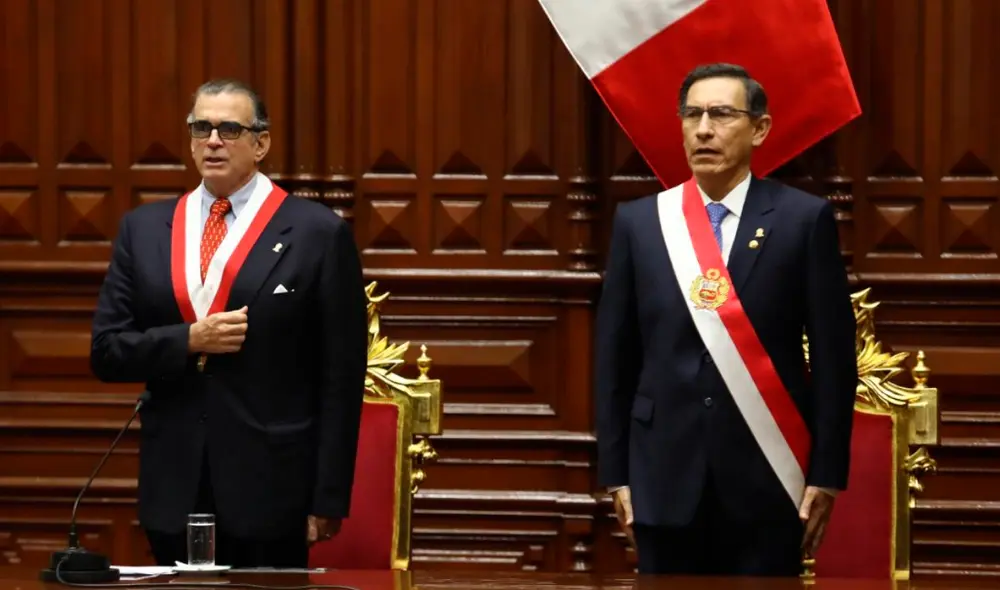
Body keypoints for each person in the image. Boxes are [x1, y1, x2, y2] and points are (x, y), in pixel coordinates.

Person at [90, 79, 369, 568]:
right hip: (173, 485)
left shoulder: (316, 233)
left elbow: (341, 378)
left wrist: (327, 497)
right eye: (202, 128)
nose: (213, 140)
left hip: (273, 490)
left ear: (261, 143)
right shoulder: (146, 229)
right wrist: (189, 339)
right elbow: (108, 351)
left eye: (229, 129)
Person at [593, 63, 857, 576]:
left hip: (768, 472)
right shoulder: (641, 224)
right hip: (662, 472)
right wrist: (616, 473)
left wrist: (826, 474)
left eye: (721, 114)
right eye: (691, 115)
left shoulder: (803, 221)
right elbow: (614, 358)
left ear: (760, 128)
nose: (703, 129)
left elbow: (833, 357)